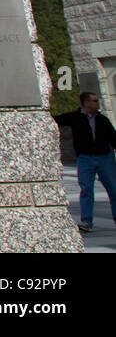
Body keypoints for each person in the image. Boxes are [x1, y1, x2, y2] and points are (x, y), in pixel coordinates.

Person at [55, 91, 116, 233]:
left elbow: (113, 138)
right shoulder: (75, 117)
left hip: (104, 158)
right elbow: (56, 120)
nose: (97, 103)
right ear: (86, 103)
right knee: (86, 190)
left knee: (113, 189)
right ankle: (87, 221)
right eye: (94, 101)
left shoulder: (102, 120)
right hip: (85, 158)